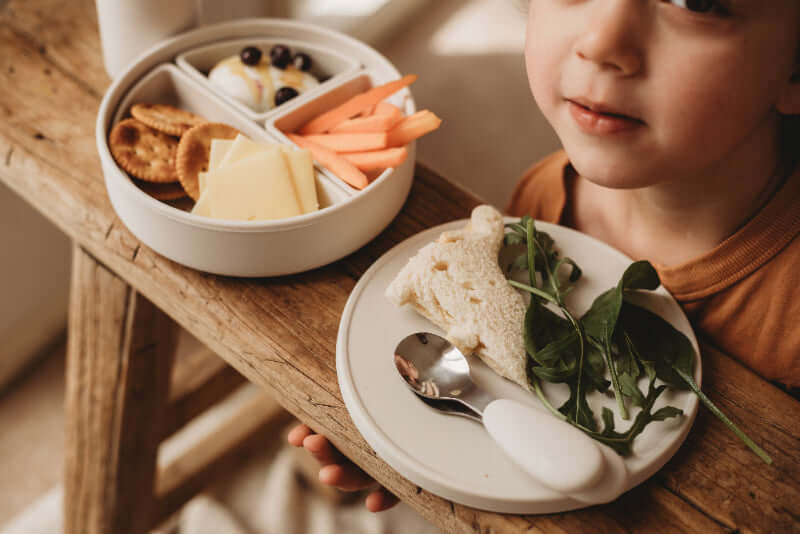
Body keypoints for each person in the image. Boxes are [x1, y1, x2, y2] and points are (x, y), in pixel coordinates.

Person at [289, 0, 800, 511]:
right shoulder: (543, 205)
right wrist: (424, 458)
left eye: (697, 3)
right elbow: (512, 399)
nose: (601, 43)